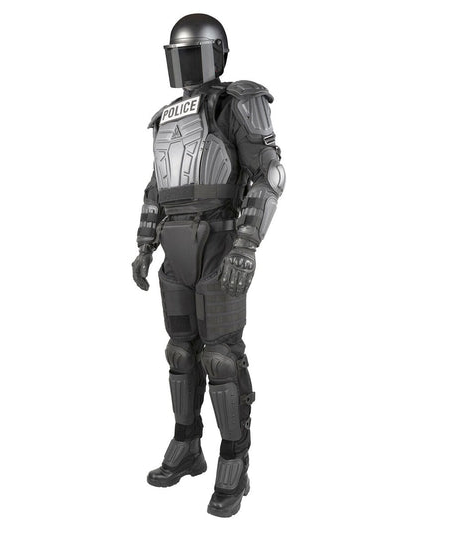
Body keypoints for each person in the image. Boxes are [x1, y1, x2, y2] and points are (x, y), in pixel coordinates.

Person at [131, 13, 285, 518]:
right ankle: (187, 444)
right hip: (175, 250)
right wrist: (145, 244)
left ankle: (234, 461)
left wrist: (246, 244)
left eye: (194, 54)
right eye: (180, 56)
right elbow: (157, 188)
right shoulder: (166, 117)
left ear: (217, 54)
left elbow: (269, 175)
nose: (187, 65)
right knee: (180, 353)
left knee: (221, 357)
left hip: (220, 243)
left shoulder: (238, 102)